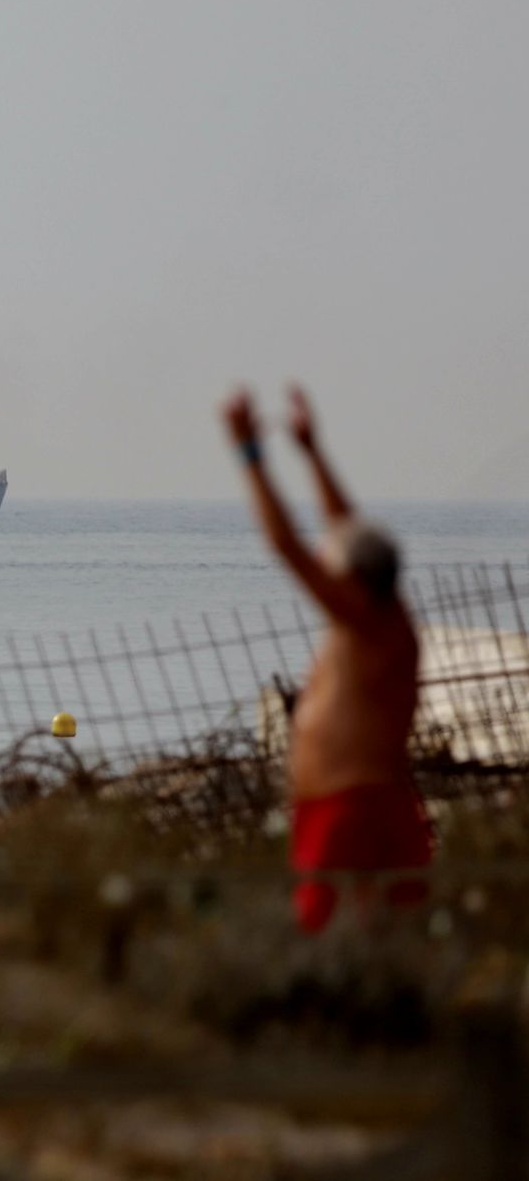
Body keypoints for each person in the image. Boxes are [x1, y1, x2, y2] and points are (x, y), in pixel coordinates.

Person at [221, 385, 429, 933]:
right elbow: (345, 527)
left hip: (348, 814)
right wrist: (311, 452)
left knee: (327, 939)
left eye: (334, 567)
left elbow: (285, 542)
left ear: (356, 585)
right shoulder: (384, 615)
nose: (326, 567)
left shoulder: (362, 622)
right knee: (391, 938)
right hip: (355, 807)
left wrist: (250, 455)